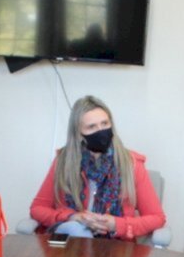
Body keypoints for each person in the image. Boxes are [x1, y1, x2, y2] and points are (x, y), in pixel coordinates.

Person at [29, 95, 165, 241]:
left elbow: (157, 218)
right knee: (76, 228)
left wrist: (117, 224)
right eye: (91, 127)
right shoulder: (63, 161)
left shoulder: (131, 163)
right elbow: (37, 209)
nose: (100, 131)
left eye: (105, 123)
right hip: (71, 248)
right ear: (78, 134)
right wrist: (73, 217)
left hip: (116, 250)